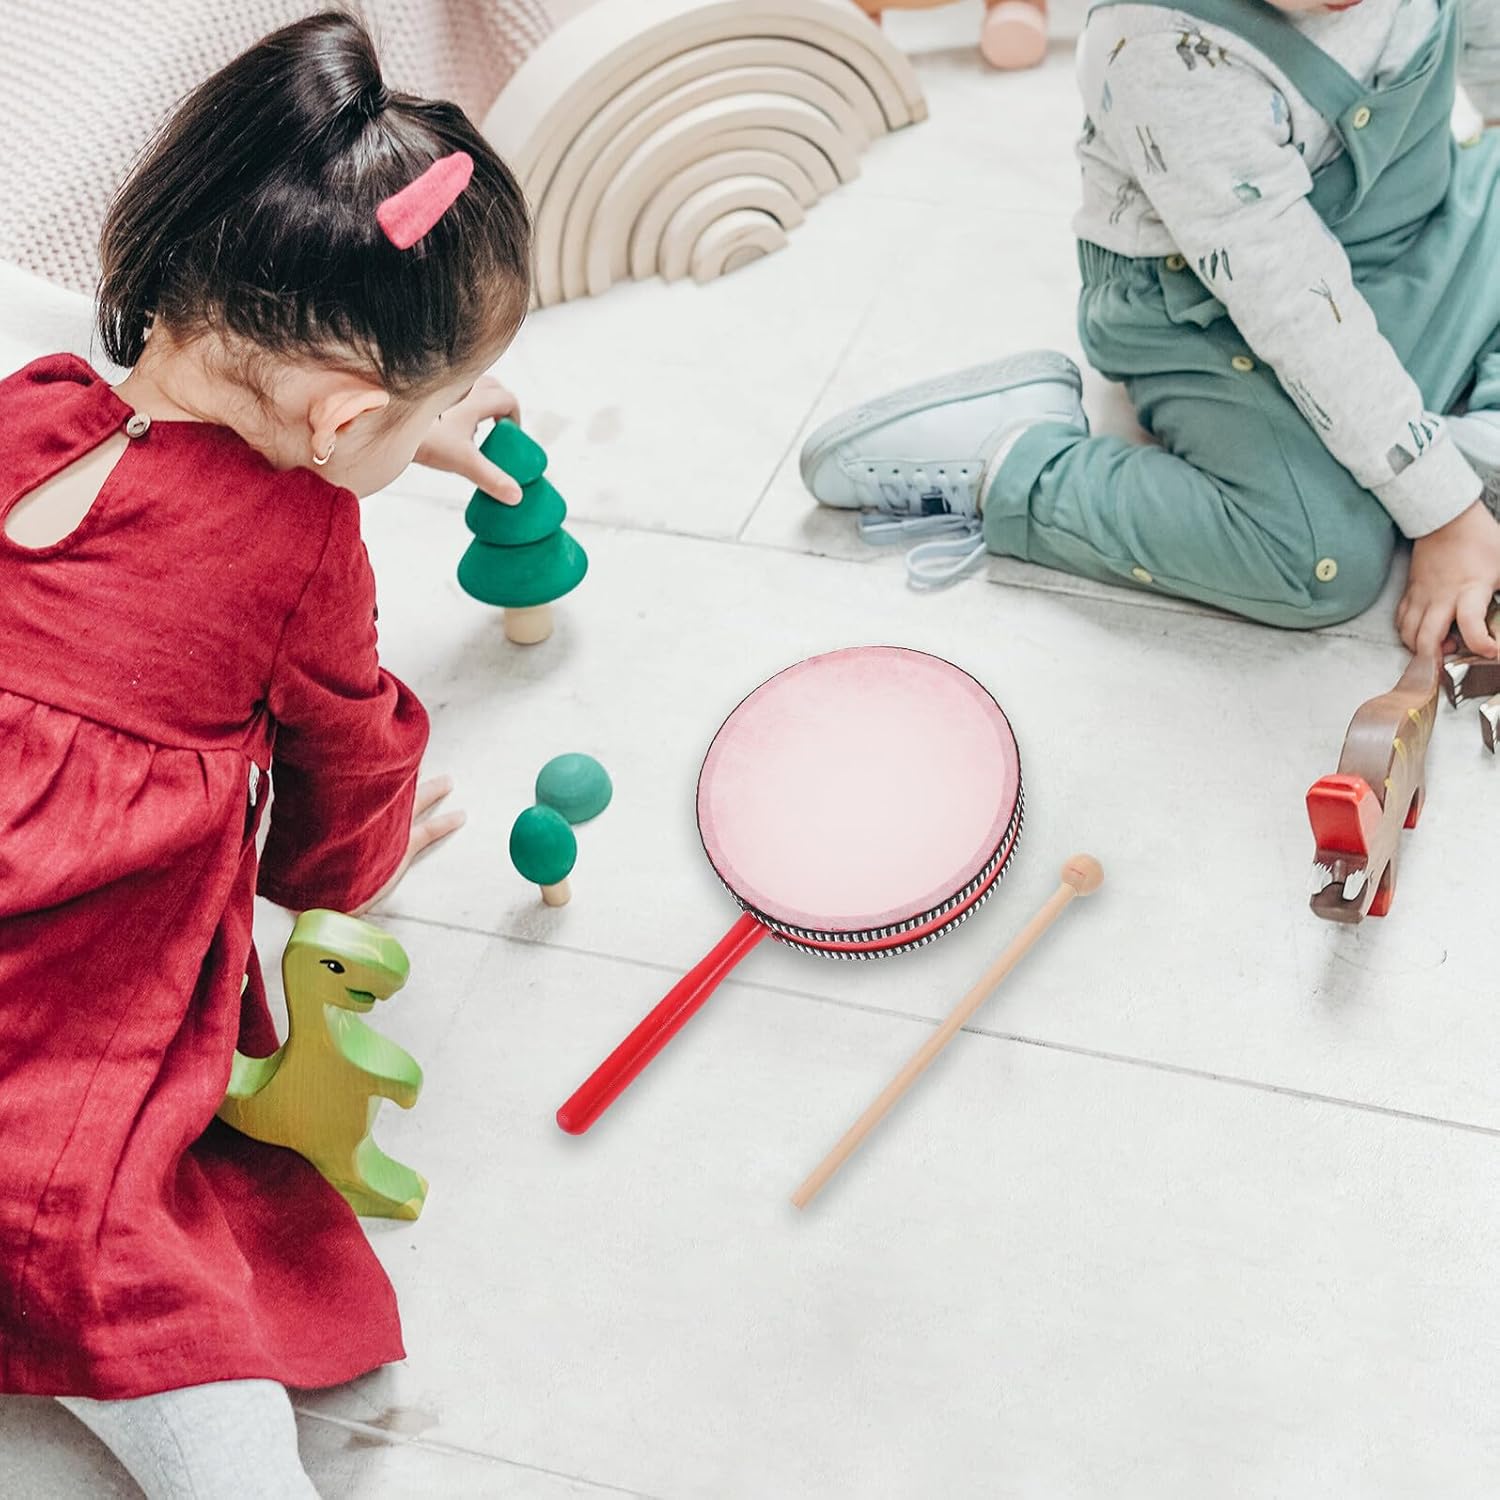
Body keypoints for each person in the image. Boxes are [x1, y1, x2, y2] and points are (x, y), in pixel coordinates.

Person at [0, 13, 531, 1495]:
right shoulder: (303, 550)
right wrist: (351, 871)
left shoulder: (32, 408)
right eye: (417, 414)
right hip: (44, 1059)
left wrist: (383, 427)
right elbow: (341, 791)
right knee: (124, 1271)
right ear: (341, 416)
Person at [801, 0, 1500, 661]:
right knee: (1317, 556)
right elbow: (1296, 307)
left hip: (1414, 232)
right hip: (1211, 311)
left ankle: (1449, 438)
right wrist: (1444, 514)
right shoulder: (1164, 49)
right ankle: (1012, 459)